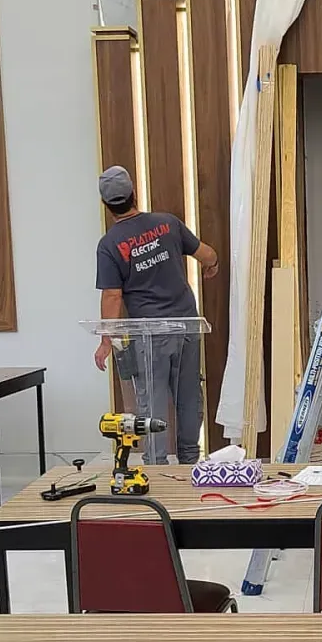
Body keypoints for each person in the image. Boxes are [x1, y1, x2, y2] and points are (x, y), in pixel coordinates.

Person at [93, 165, 218, 464]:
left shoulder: (110, 245)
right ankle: (190, 464)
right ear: (133, 194)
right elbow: (207, 254)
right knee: (189, 395)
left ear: (107, 205)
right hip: (187, 324)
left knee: (153, 402)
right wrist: (211, 266)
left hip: (151, 333)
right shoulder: (167, 224)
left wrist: (105, 341)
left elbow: (112, 295)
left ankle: (158, 468)